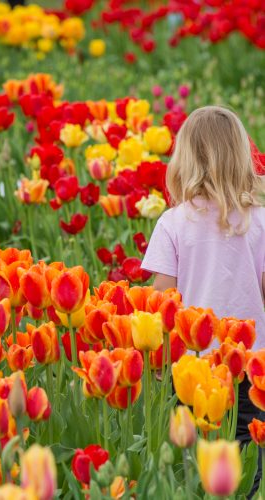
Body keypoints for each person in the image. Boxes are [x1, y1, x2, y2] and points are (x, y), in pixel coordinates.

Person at [140, 105, 265, 493]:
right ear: (241, 155)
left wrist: (158, 360)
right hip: (251, 366)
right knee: (246, 460)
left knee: (192, 458)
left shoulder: (173, 222)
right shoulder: (261, 219)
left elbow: (162, 300)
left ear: (185, 159)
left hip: (193, 367)